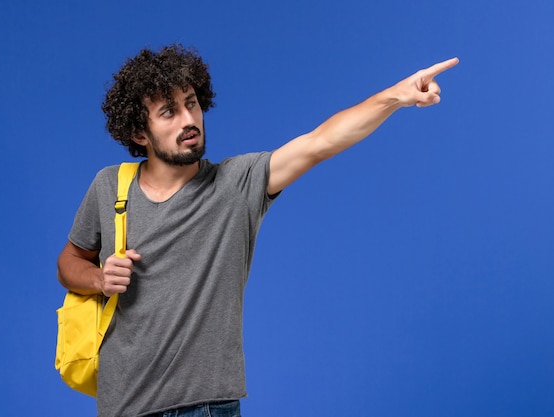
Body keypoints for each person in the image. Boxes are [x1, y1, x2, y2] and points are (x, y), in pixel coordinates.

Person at [57, 44, 458, 417]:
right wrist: (98, 278)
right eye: (168, 112)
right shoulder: (110, 187)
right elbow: (69, 262)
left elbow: (319, 143)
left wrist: (395, 96)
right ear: (139, 133)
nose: (189, 120)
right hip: (120, 406)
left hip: (204, 406)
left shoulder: (236, 184)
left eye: (192, 104)